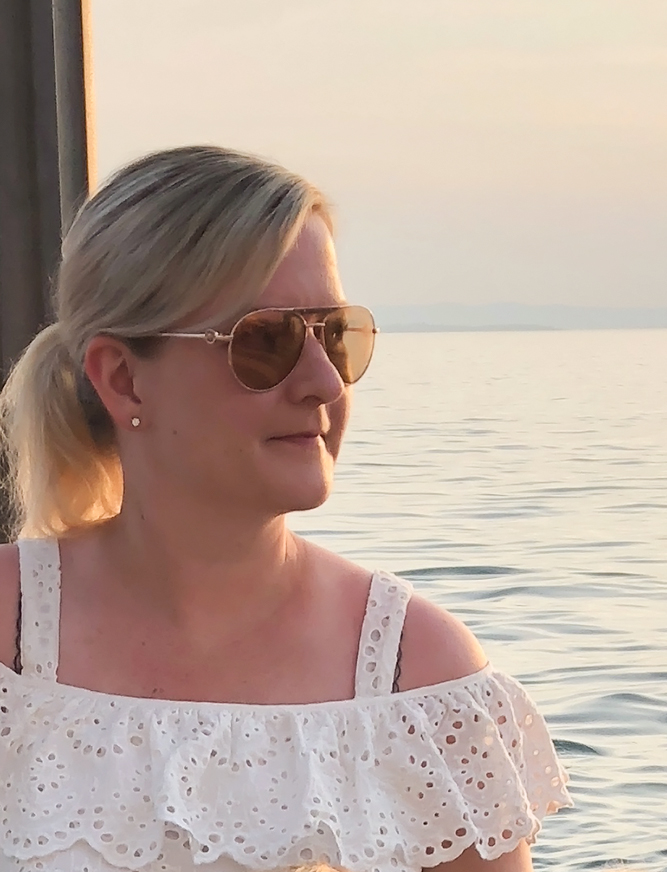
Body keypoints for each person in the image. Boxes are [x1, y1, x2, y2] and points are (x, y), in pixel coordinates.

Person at [0, 146, 571, 872]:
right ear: (124, 380)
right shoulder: (12, 641)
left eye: (337, 335)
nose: (325, 382)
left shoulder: (421, 680)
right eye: (264, 342)